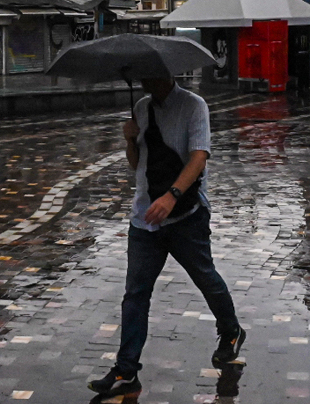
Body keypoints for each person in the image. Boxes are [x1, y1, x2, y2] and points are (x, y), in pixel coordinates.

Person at [88, 76, 244, 396]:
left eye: (149, 71)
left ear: (165, 71)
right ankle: (126, 370)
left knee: (205, 276)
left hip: (186, 215)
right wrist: (130, 141)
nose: (144, 77)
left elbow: (199, 157)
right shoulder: (141, 108)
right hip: (145, 217)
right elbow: (137, 166)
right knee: (136, 294)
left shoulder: (193, 106)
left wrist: (172, 196)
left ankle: (231, 330)